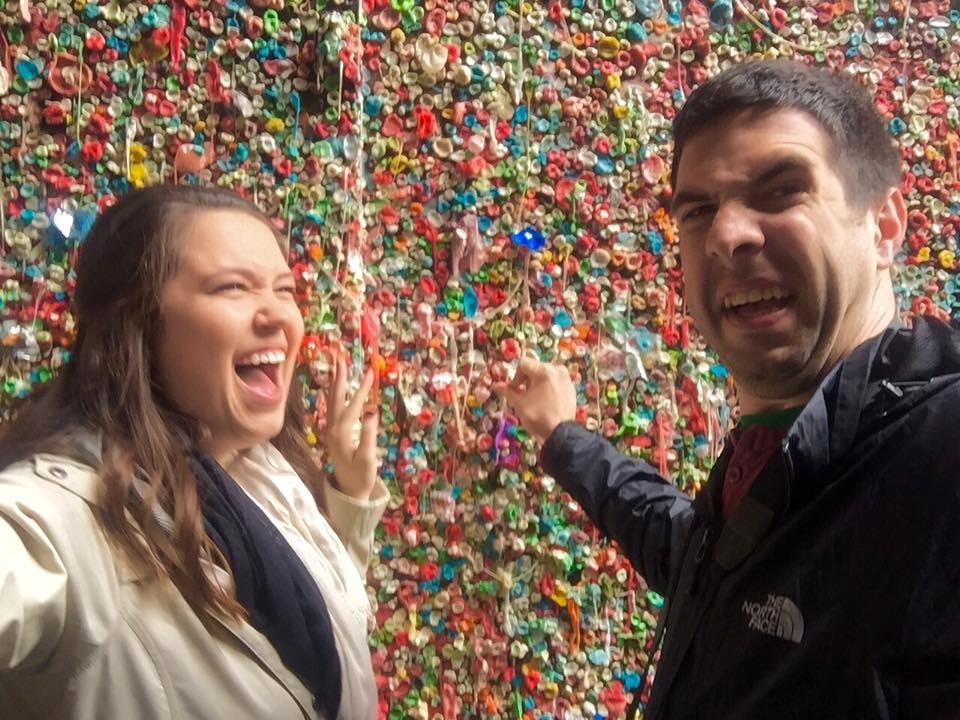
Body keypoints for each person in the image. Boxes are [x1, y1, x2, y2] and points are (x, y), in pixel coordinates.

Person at [498, 59, 960, 719]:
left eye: (780, 191)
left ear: (884, 226)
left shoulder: (941, 452)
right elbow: (697, 558)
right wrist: (562, 436)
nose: (726, 236)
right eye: (699, 211)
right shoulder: (770, 465)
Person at [0, 184, 388, 719]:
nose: (278, 315)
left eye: (285, 290)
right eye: (233, 288)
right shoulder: (61, 518)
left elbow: (316, 632)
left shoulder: (262, 470)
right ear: (137, 322)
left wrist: (349, 500)